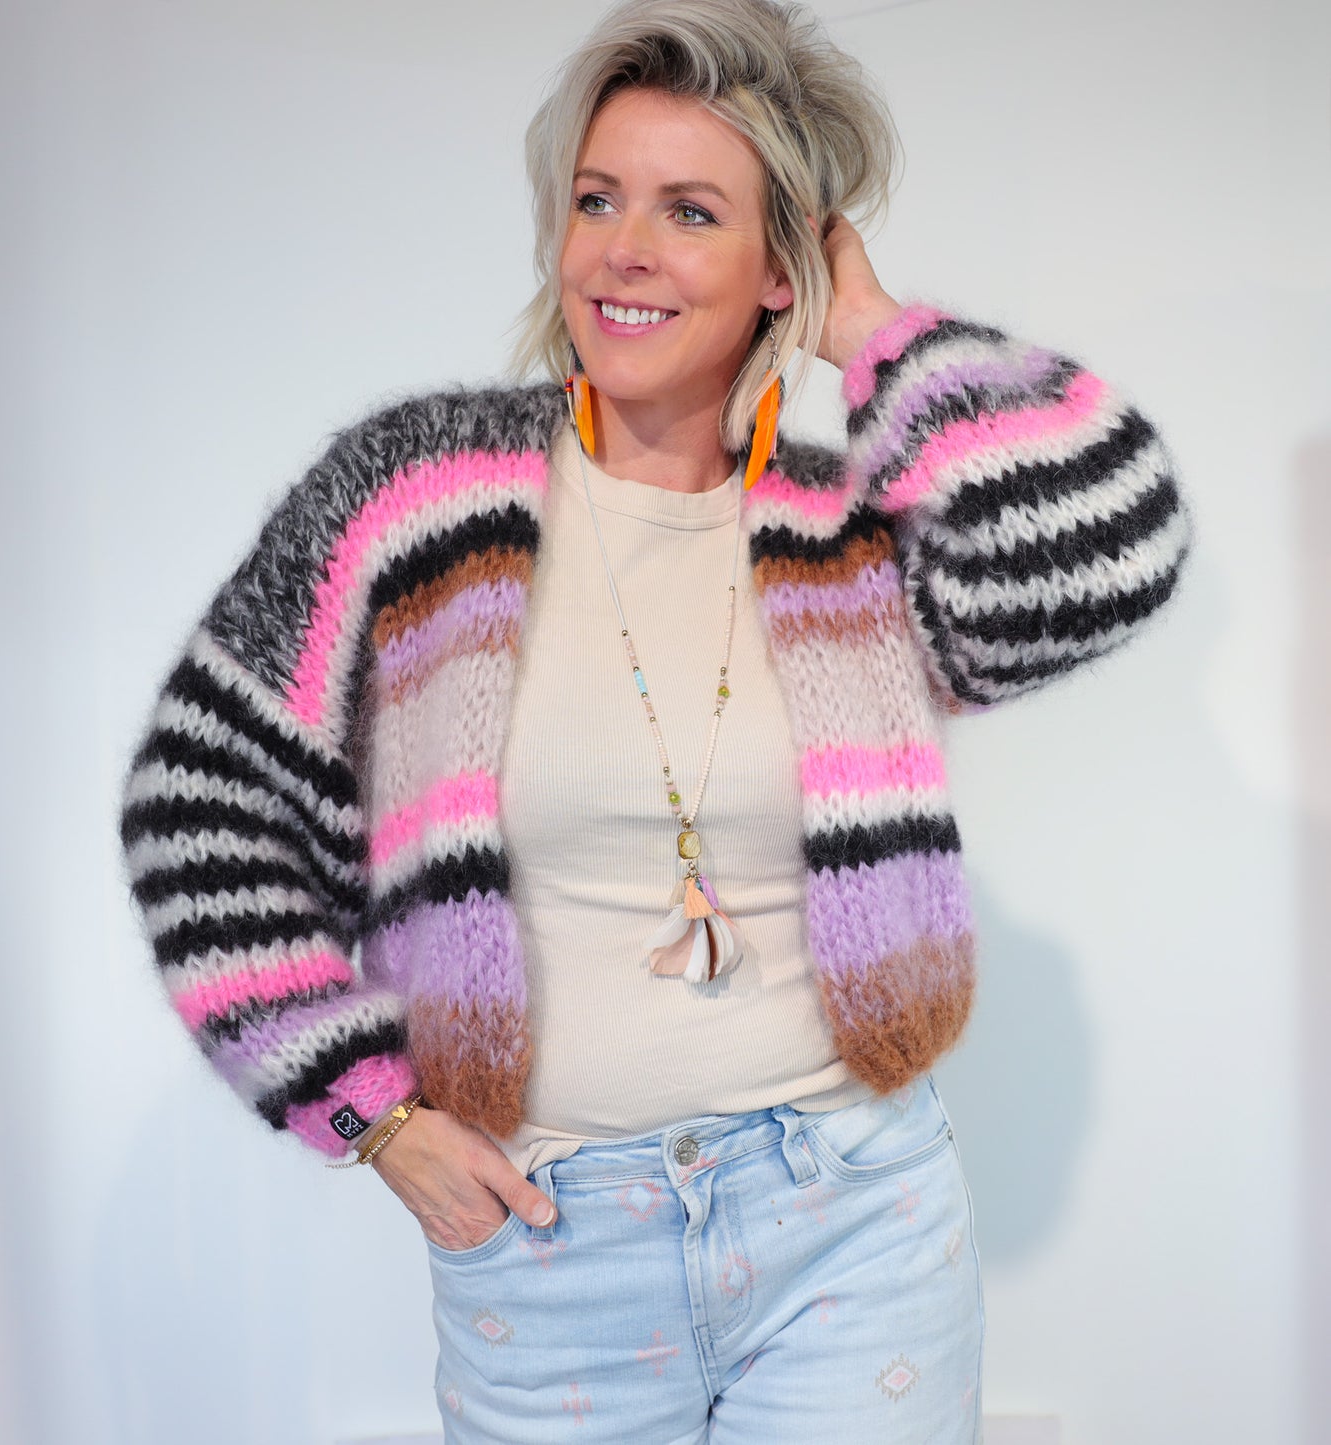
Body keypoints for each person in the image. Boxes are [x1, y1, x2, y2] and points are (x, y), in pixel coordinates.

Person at [116, 0, 1192, 1438]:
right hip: (549, 1238)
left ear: (779, 265)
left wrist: (868, 329)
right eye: (595, 200)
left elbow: (1111, 537)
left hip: (853, 1217)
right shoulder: (408, 502)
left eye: (691, 212)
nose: (623, 248)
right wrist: (371, 1115)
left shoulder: (850, 538)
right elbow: (199, 806)